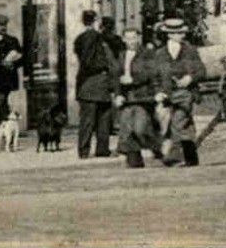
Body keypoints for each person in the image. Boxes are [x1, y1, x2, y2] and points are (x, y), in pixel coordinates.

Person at [147, 17, 207, 166]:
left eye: (182, 32)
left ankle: (173, 157)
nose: (182, 35)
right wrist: (157, 92)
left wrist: (190, 78)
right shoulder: (159, 54)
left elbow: (201, 70)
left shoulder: (190, 50)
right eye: (179, 33)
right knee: (185, 126)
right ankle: (192, 159)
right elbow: (154, 77)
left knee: (178, 121)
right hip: (167, 95)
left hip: (186, 94)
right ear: (170, 35)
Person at [73, 10, 118, 159]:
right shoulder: (94, 37)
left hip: (89, 84)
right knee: (99, 118)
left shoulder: (80, 38)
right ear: (95, 21)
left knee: (93, 118)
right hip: (95, 81)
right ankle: (98, 149)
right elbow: (89, 60)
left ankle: (87, 150)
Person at [115, 28, 162, 167]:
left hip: (143, 96)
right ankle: (134, 161)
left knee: (140, 128)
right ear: (123, 39)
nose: (131, 42)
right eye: (128, 38)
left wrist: (133, 80)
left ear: (138, 38)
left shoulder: (147, 54)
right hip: (127, 97)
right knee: (127, 129)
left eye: (134, 38)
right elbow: (117, 76)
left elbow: (151, 73)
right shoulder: (122, 55)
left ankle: (158, 145)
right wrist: (118, 94)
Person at [0, 12, 23, 126]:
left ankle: (1, 130)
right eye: (0, 25)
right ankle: (0, 130)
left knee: (1, 103)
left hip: (7, 80)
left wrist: (13, 64)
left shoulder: (13, 40)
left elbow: (22, 59)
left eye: (5, 25)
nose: (3, 27)